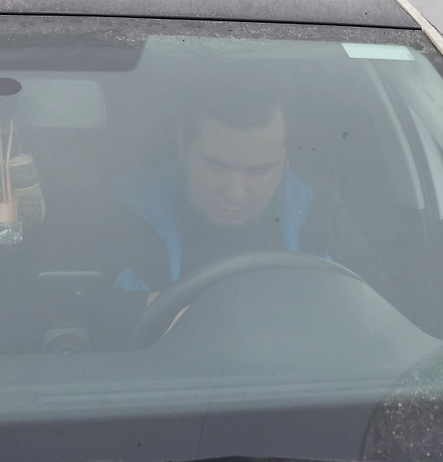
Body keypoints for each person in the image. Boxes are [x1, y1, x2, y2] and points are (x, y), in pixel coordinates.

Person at [107, 86, 389, 337]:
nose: (235, 193)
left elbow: (382, 315)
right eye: (217, 167)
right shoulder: (125, 217)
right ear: (182, 145)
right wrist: (133, 311)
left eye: (259, 171)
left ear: (287, 159)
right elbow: (84, 315)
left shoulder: (321, 217)